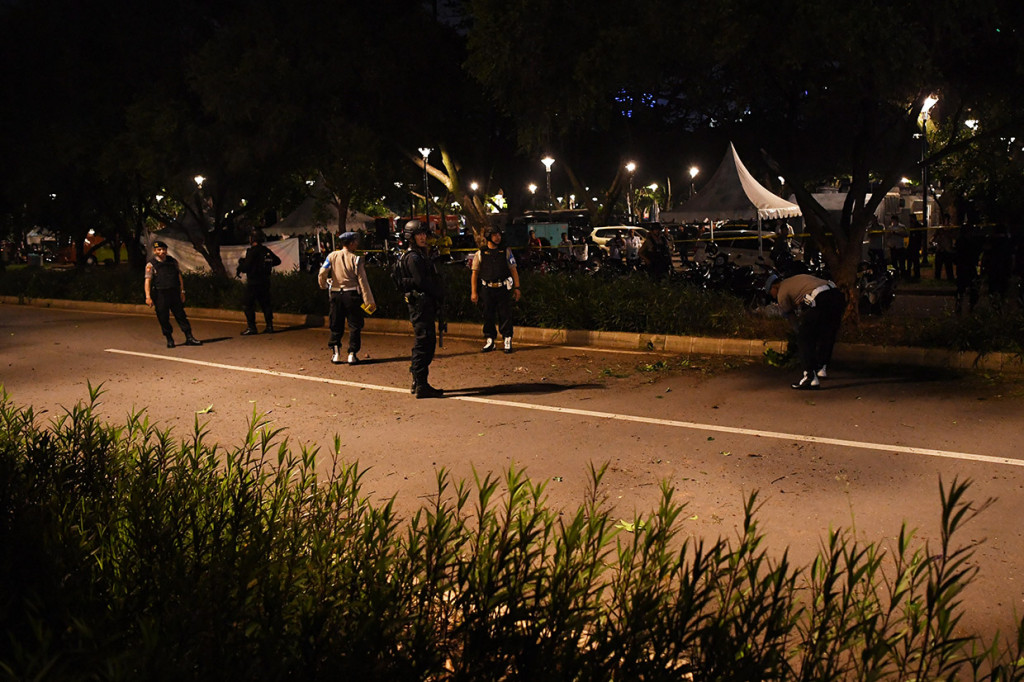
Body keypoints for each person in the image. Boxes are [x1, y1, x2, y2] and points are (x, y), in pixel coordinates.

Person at [766, 273, 845, 389]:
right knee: (827, 332)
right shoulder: (794, 280)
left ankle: (809, 376)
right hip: (836, 295)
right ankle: (821, 367)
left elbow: (791, 316)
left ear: (774, 287)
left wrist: (798, 333)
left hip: (820, 297)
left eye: (770, 293)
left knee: (804, 336)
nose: (772, 297)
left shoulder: (781, 292)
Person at [396, 220, 445, 398]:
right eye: (419, 234)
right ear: (411, 237)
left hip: (424, 304)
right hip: (420, 305)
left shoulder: (419, 255)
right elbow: (420, 281)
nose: (423, 237)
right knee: (424, 343)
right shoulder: (413, 257)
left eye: (424, 234)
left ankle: (418, 382)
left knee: (425, 342)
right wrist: (437, 292)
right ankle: (421, 383)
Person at [318, 231, 376, 365]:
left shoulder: (332, 256)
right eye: (355, 241)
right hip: (352, 295)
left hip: (336, 294)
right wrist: (369, 301)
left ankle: (336, 353)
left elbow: (322, 272)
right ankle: (352, 354)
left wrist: (323, 285)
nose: (357, 243)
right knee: (354, 325)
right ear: (351, 243)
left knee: (335, 324)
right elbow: (363, 280)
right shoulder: (356, 258)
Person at [471, 225, 521, 353]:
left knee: (505, 314)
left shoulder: (506, 251)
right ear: (488, 236)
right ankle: (490, 340)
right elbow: (474, 273)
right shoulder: (480, 253)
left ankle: (507, 339)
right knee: (488, 314)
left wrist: (517, 287)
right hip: (487, 289)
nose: (498, 237)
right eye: (494, 235)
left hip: (503, 288)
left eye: (499, 234)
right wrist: (474, 292)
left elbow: (513, 269)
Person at [144, 240, 202, 348]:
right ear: (155, 251)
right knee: (163, 317)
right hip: (160, 294)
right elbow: (148, 280)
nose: (162, 252)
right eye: (159, 250)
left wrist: (182, 291)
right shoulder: (151, 264)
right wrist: (148, 296)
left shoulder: (172, 261)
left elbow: (179, 277)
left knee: (181, 315)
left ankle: (189, 337)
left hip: (174, 292)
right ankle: (169, 339)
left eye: (163, 249)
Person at [236, 229, 281, 335]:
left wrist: (241, 266)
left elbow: (246, 267)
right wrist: (265, 265)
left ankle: (252, 327)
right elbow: (277, 260)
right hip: (265, 281)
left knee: (247, 304)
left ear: (253, 238)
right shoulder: (265, 250)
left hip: (254, 282)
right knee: (266, 304)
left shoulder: (252, 251)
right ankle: (269, 326)